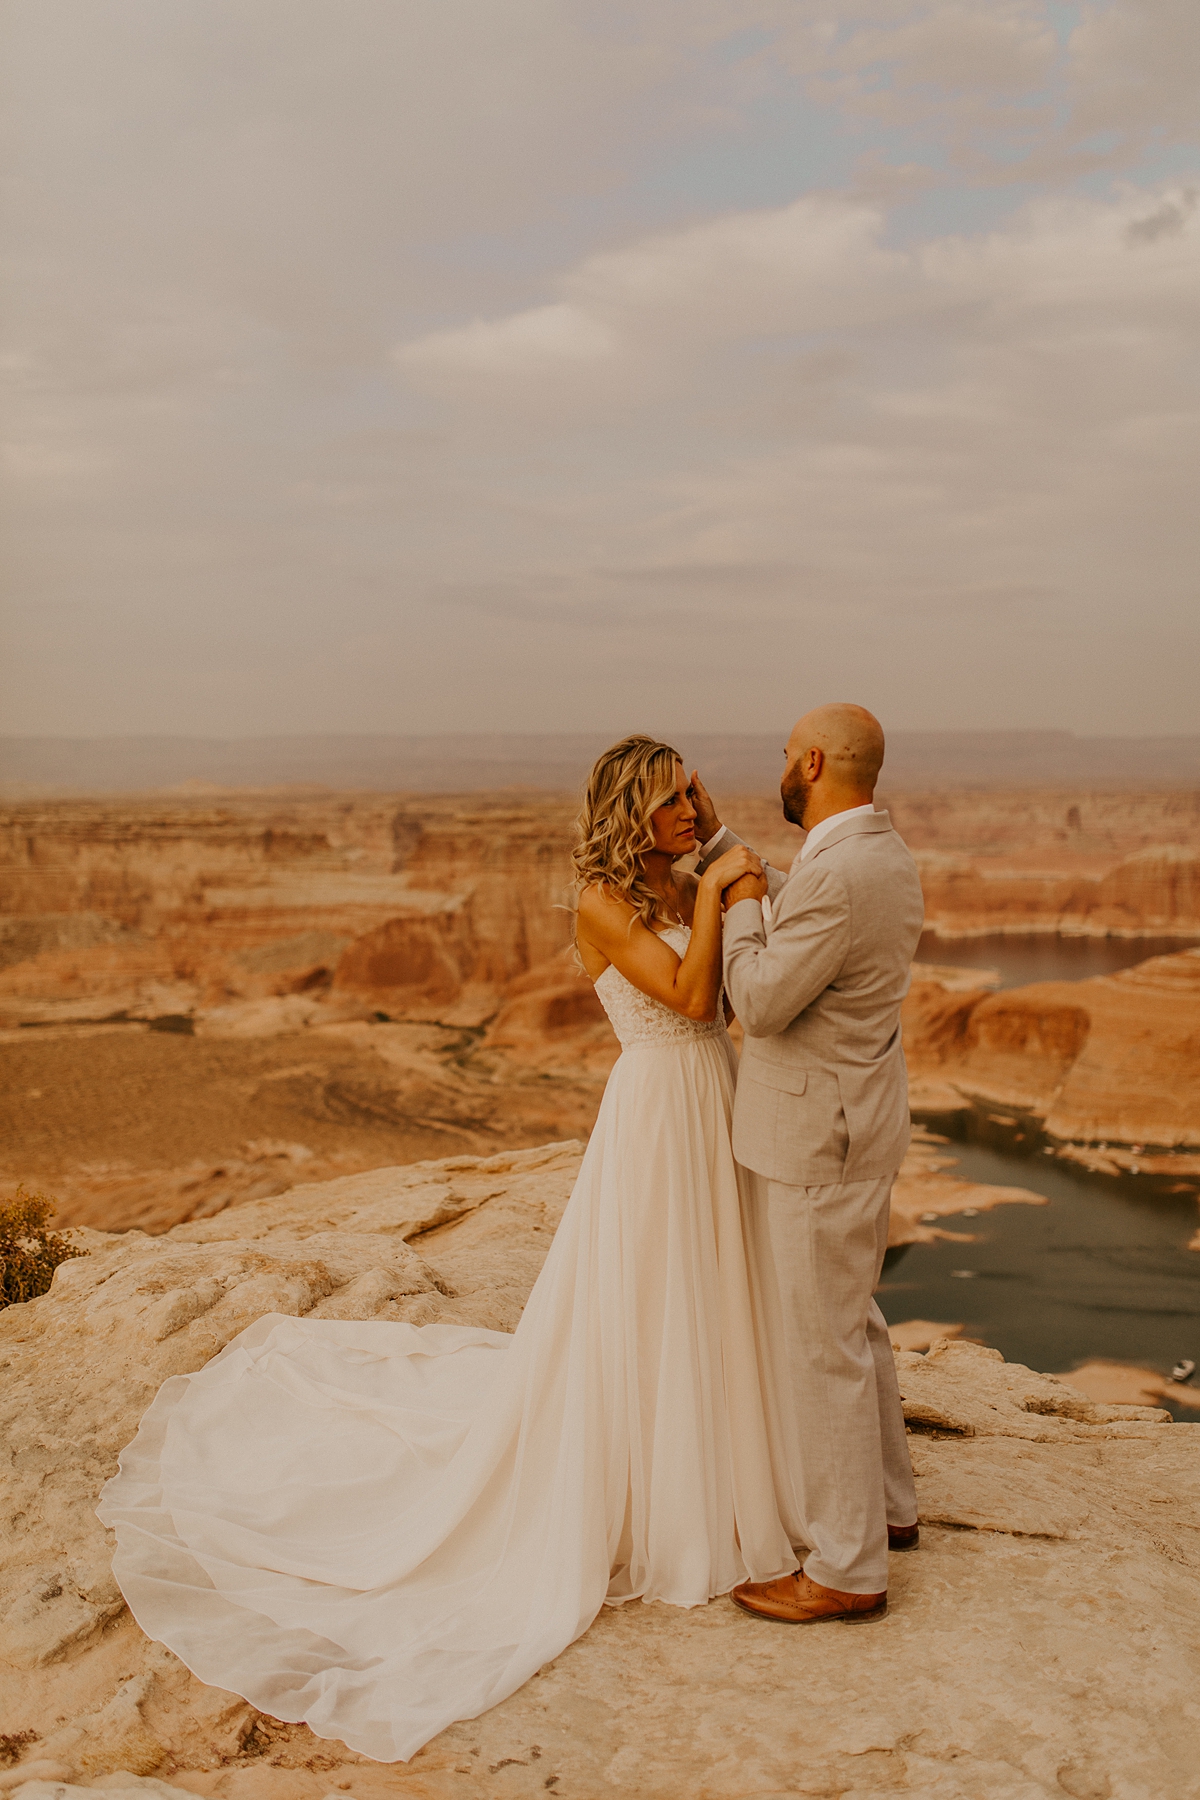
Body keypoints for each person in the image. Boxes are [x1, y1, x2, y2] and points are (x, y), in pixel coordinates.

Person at [97, 735, 796, 1764]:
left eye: (694, 790)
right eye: (672, 797)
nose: (695, 807)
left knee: (709, 1296)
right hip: (656, 1109)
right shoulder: (602, 901)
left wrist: (730, 887)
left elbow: (740, 999)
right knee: (650, 1295)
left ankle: (715, 1470)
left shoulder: (688, 879)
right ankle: (649, 1496)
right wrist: (719, 893)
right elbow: (691, 1000)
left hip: (711, 1102)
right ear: (627, 811)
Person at [692, 702, 925, 1624]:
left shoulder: (842, 874)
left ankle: (845, 1568)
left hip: (813, 1144)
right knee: (854, 1325)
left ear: (817, 761)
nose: (781, 767)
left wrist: (740, 904)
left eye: (788, 755)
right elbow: (815, 900)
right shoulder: (879, 854)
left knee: (818, 1348)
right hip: (859, 1130)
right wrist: (723, 844)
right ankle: (892, 1510)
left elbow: (759, 997)